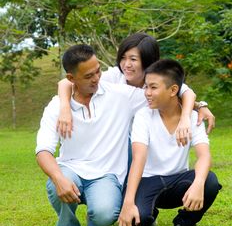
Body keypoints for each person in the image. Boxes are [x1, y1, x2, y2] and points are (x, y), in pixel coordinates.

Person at [36, 44, 148, 226]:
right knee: (55, 184)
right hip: (72, 168)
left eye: (98, 71)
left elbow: (162, 94)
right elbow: (43, 150)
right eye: (88, 76)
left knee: (105, 213)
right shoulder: (56, 106)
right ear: (71, 79)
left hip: (107, 173)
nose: (96, 78)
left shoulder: (121, 95)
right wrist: (58, 177)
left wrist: (198, 106)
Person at [118, 59, 221, 226]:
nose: (147, 93)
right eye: (146, 87)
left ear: (173, 90)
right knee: (136, 219)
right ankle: (149, 217)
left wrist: (198, 183)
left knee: (210, 181)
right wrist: (128, 201)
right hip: (148, 181)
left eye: (153, 88)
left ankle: (184, 224)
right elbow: (138, 158)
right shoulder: (143, 116)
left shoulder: (192, 118)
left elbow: (204, 156)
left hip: (177, 181)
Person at [57, 33, 215, 145]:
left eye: (133, 59)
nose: (126, 65)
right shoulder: (115, 76)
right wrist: (65, 109)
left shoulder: (159, 79)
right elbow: (66, 83)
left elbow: (186, 93)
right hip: (118, 143)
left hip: (150, 140)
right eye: (123, 58)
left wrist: (193, 112)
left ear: (148, 61)